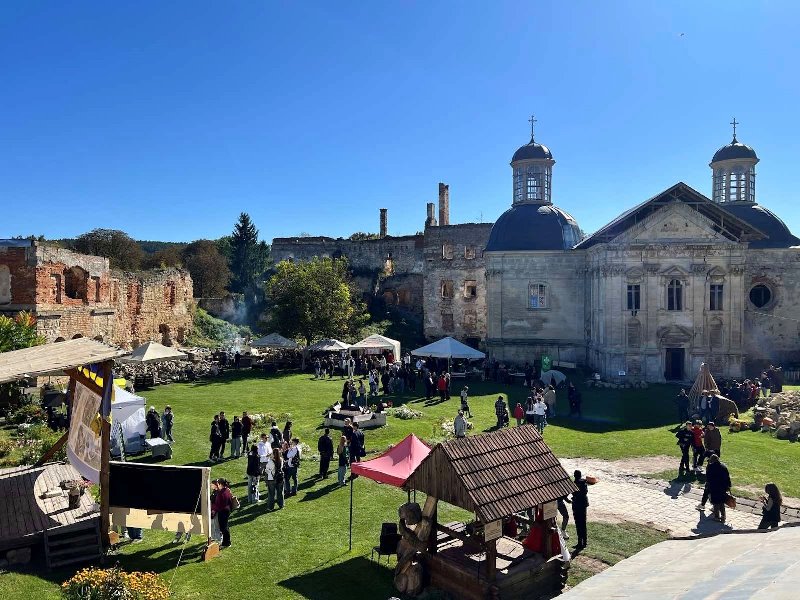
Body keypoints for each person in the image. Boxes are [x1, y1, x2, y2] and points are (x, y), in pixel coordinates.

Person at [705, 454, 732, 523]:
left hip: (714, 487)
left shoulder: (710, 467)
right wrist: (729, 486)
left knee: (716, 502)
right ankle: (723, 516)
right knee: (722, 502)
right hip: (723, 487)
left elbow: (708, 478)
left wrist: (708, 486)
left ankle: (717, 517)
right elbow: (727, 477)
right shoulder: (723, 466)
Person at [211, 478, 233, 548]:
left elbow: (218, 505)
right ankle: (226, 542)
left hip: (223, 512)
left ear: (220, 484)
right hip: (227, 510)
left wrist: (213, 510)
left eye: (218, 484)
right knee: (225, 527)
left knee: (223, 528)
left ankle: (226, 543)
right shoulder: (227, 490)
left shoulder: (221, 493)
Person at [572, 470, 589, 549]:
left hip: (577, 505)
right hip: (582, 505)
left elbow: (575, 493)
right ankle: (584, 542)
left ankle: (580, 542)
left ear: (575, 476)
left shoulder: (576, 483)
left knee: (579, 524)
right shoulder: (583, 483)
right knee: (583, 524)